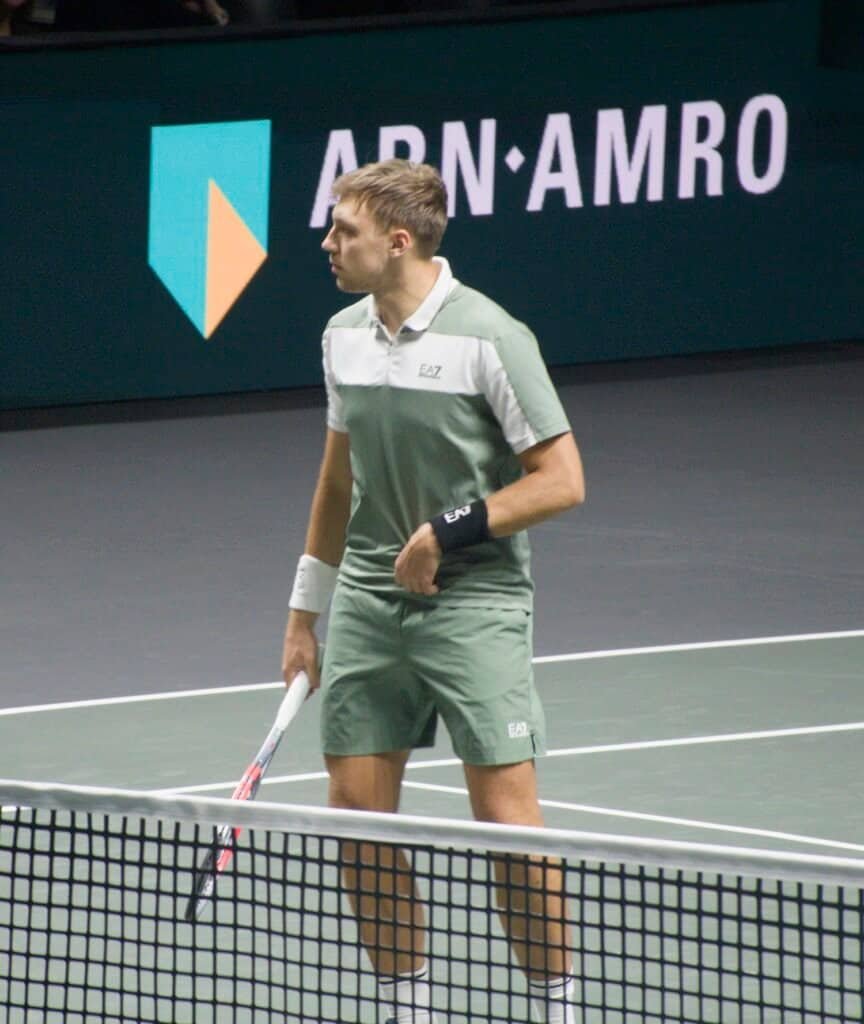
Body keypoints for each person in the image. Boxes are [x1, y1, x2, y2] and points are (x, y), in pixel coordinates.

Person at [281, 159, 585, 1024]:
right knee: (356, 820)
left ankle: (558, 1008)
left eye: (345, 231)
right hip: (370, 605)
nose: (328, 243)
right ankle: (406, 1009)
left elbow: (562, 479)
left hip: (475, 600)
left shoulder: (491, 337)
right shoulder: (343, 334)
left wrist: (446, 530)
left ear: (399, 241)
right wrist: (305, 613)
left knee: (507, 829)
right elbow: (337, 485)